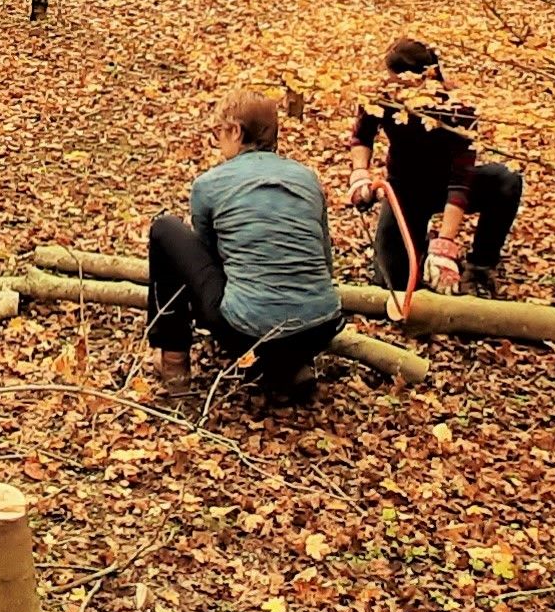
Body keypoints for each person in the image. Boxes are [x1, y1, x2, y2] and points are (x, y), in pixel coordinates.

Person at [146, 90, 345, 395]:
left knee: (164, 229)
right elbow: (325, 261)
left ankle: (174, 359)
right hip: (321, 327)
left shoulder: (209, 184)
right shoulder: (307, 178)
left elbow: (211, 261)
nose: (218, 141)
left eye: (219, 132)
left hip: (247, 331)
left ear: (236, 131)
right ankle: (288, 366)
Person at [347, 37, 520, 305]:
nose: (392, 85)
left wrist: (445, 244)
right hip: (404, 190)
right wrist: (360, 173)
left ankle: (480, 266)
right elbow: (362, 137)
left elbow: (461, 182)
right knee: (393, 282)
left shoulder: (458, 110)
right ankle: (418, 244)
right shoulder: (382, 97)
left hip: (449, 185)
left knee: (506, 180)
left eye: (397, 80)